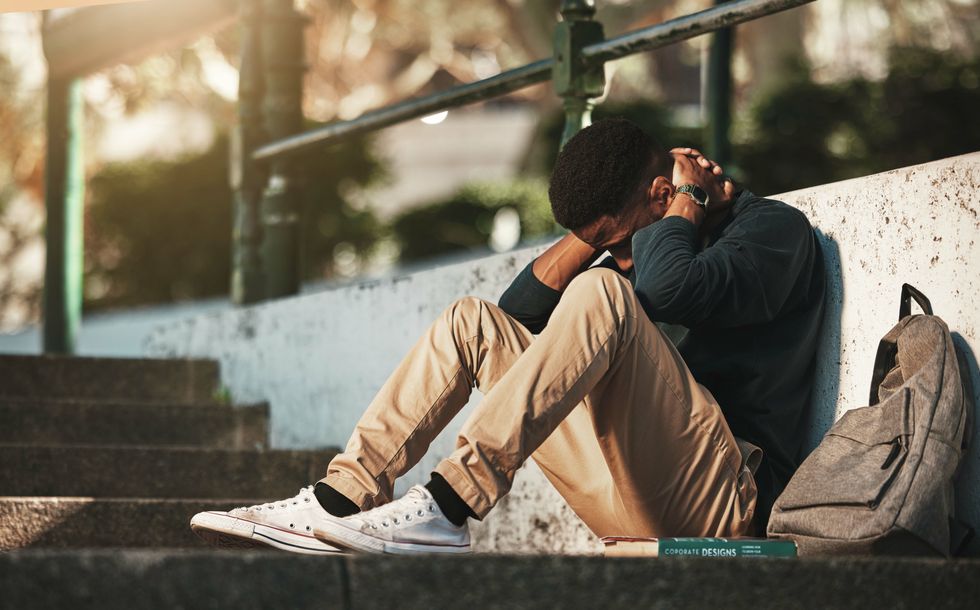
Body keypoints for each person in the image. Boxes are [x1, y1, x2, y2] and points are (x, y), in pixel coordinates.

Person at [190, 118, 825, 555]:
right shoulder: (645, 245)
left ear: (665, 196)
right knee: (472, 321)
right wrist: (597, 233)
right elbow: (516, 314)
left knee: (599, 292)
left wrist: (683, 201)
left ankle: (449, 506)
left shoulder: (771, 233)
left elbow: (669, 288)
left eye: (621, 242)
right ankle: (338, 500)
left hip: (728, 503)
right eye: (610, 246)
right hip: (629, 494)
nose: (620, 259)